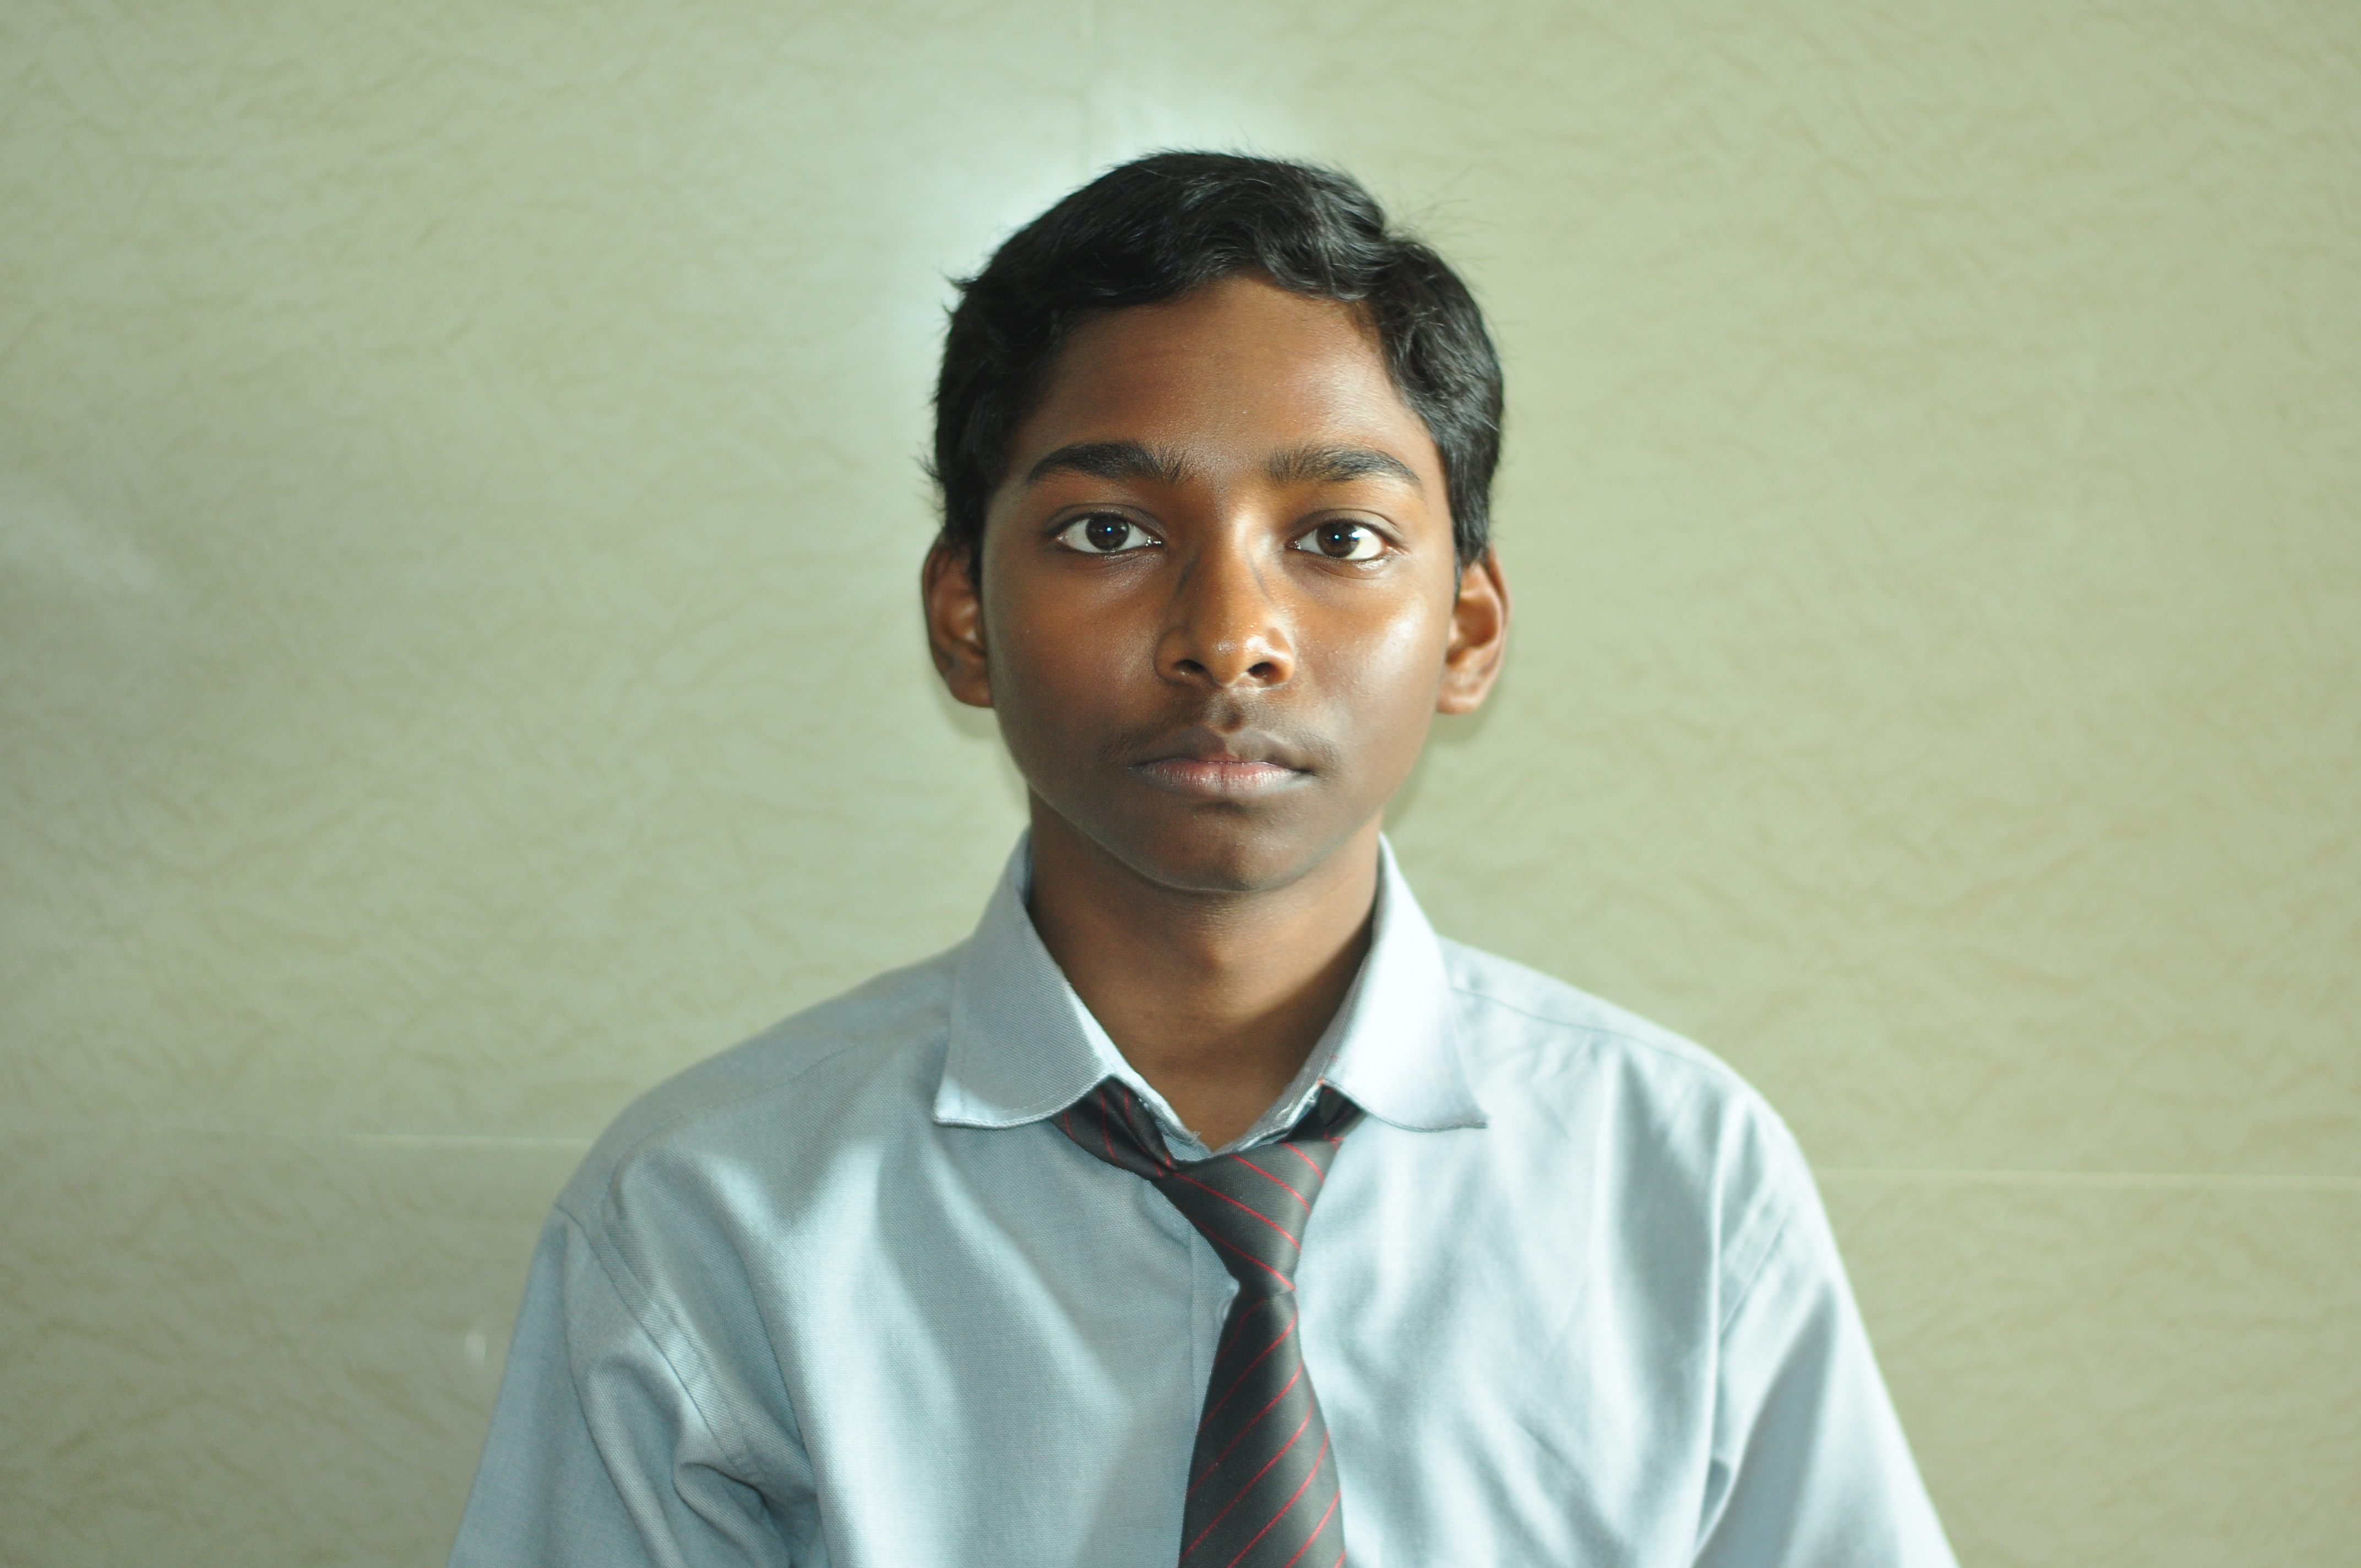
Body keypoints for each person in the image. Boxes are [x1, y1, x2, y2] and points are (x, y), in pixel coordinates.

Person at [450, 152, 1956, 1567]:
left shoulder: (1679, 1183)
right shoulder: (709, 1219)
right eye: (1109, 532)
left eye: (1340, 537)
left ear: (1468, 629)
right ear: (965, 617)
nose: (1230, 637)